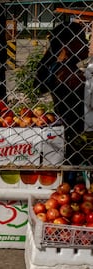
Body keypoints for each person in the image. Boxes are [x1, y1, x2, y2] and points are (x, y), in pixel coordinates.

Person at [34, 21, 89, 165]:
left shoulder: (61, 68)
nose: (86, 43)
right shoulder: (65, 72)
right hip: (78, 135)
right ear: (68, 44)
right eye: (82, 39)